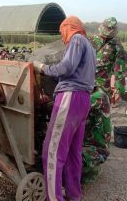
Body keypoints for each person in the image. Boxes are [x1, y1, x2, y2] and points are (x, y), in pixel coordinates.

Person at [33, 16, 96, 201]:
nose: (62, 38)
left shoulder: (76, 40)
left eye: (62, 32)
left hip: (70, 98)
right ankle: (74, 195)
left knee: (52, 151)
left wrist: (43, 68)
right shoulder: (90, 47)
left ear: (69, 28)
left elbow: (66, 68)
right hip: (83, 99)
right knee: (73, 151)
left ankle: (53, 198)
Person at [82, 17, 126, 183]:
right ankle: (86, 144)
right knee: (85, 117)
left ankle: (99, 150)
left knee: (100, 120)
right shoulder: (91, 40)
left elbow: (119, 69)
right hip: (86, 84)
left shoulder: (116, 46)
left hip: (102, 87)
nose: (105, 36)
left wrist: (118, 89)